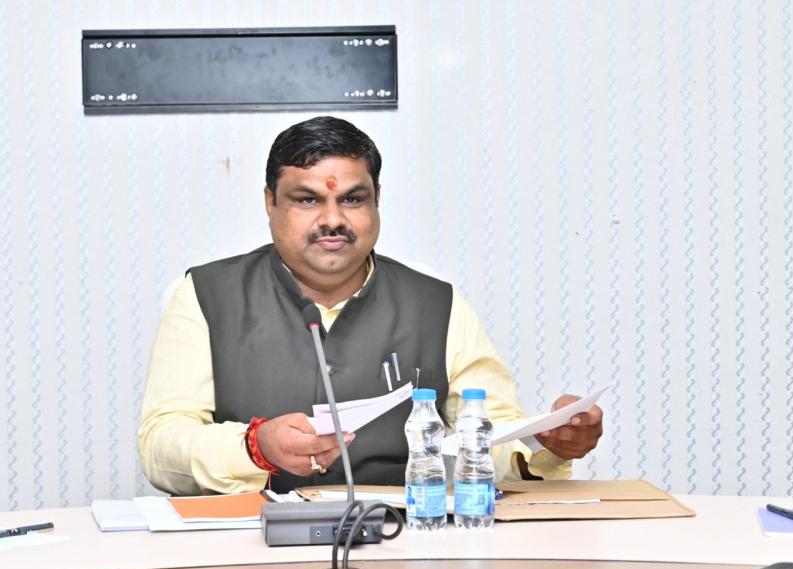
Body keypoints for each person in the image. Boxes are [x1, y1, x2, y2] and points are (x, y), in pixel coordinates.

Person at [137, 116, 603, 496]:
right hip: (246, 542)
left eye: (352, 199)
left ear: (377, 199)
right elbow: (160, 446)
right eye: (307, 199)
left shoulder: (435, 303)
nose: (332, 219)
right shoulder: (205, 295)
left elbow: (486, 436)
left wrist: (545, 443)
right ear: (270, 203)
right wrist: (253, 447)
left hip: (402, 537)